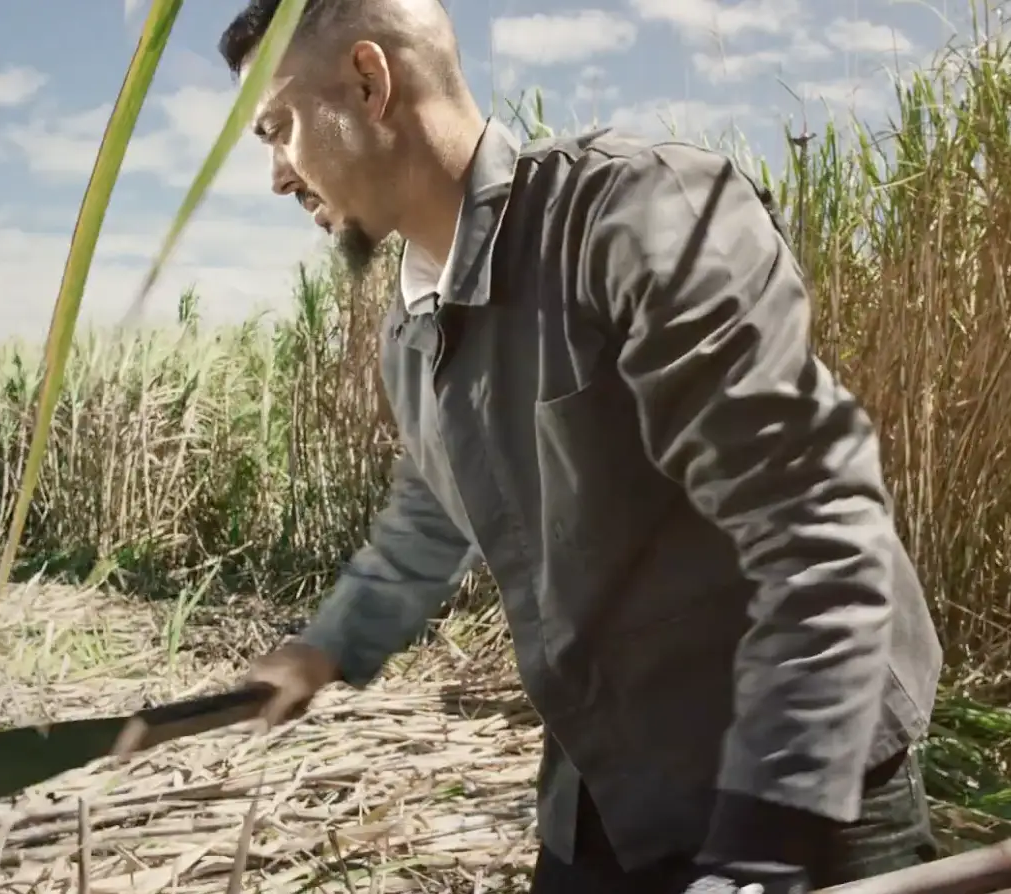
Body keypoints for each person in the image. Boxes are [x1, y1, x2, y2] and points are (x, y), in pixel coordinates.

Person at [221, 1, 946, 892]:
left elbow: (814, 528)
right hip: (611, 785)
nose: (276, 177)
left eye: (278, 129)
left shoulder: (635, 216)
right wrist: (323, 649)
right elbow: (432, 514)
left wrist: (764, 842)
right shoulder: (411, 332)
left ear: (370, 83)